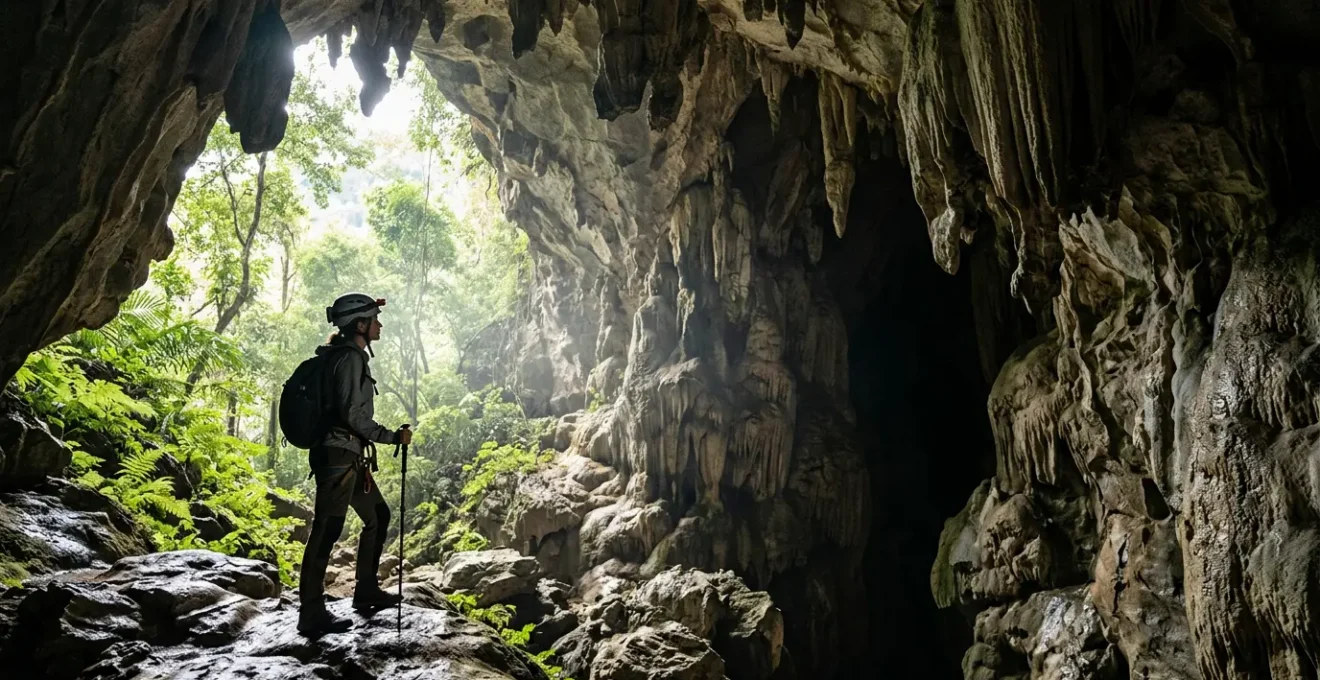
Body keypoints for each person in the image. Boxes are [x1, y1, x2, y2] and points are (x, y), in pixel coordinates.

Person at [298, 292, 414, 635]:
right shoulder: (349, 360)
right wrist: (392, 436)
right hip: (338, 455)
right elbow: (352, 414)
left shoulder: (347, 357)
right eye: (374, 319)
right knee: (327, 528)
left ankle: (365, 590)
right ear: (359, 325)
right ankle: (311, 611)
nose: (380, 325)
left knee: (378, 516)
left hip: (347, 455)